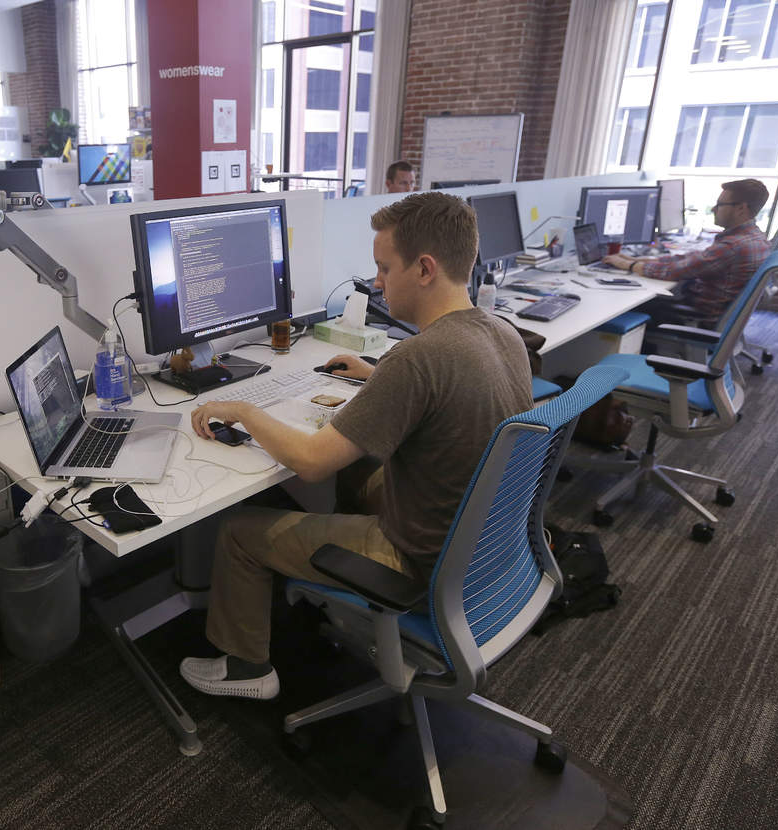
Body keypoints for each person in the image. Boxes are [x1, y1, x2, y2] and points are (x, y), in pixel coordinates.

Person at [179, 192, 533, 699]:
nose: (378, 283)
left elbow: (311, 463)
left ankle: (247, 669)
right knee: (358, 464)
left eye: (385, 268)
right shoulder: (502, 332)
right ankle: (340, 590)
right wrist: (376, 376)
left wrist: (246, 411)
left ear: (425, 269)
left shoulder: (418, 358)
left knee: (238, 530)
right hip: (483, 544)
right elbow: (448, 394)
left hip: (421, 560)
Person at [602, 179, 772, 327]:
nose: (714, 209)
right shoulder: (756, 237)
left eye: (720, 204)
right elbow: (693, 260)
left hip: (697, 317)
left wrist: (628, 265)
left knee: (623, 306)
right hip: (717, 315)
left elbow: (675, 271)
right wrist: (640, 259)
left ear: (741, 208)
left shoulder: (732, 246)